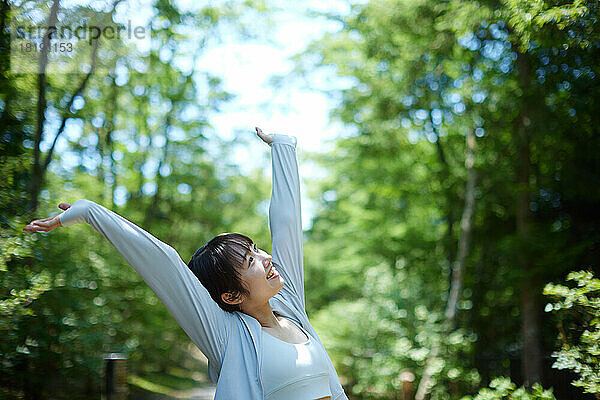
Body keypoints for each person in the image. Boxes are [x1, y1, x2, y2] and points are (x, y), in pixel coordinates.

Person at [23, 127, 348, 400]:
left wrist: (283, 147)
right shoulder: (225, 336)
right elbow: (163, 262)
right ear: (232, 296)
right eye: (251, 260)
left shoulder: (290, 306)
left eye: (257, 250)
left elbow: (287, 226)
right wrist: (90, 212)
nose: (266, 258)